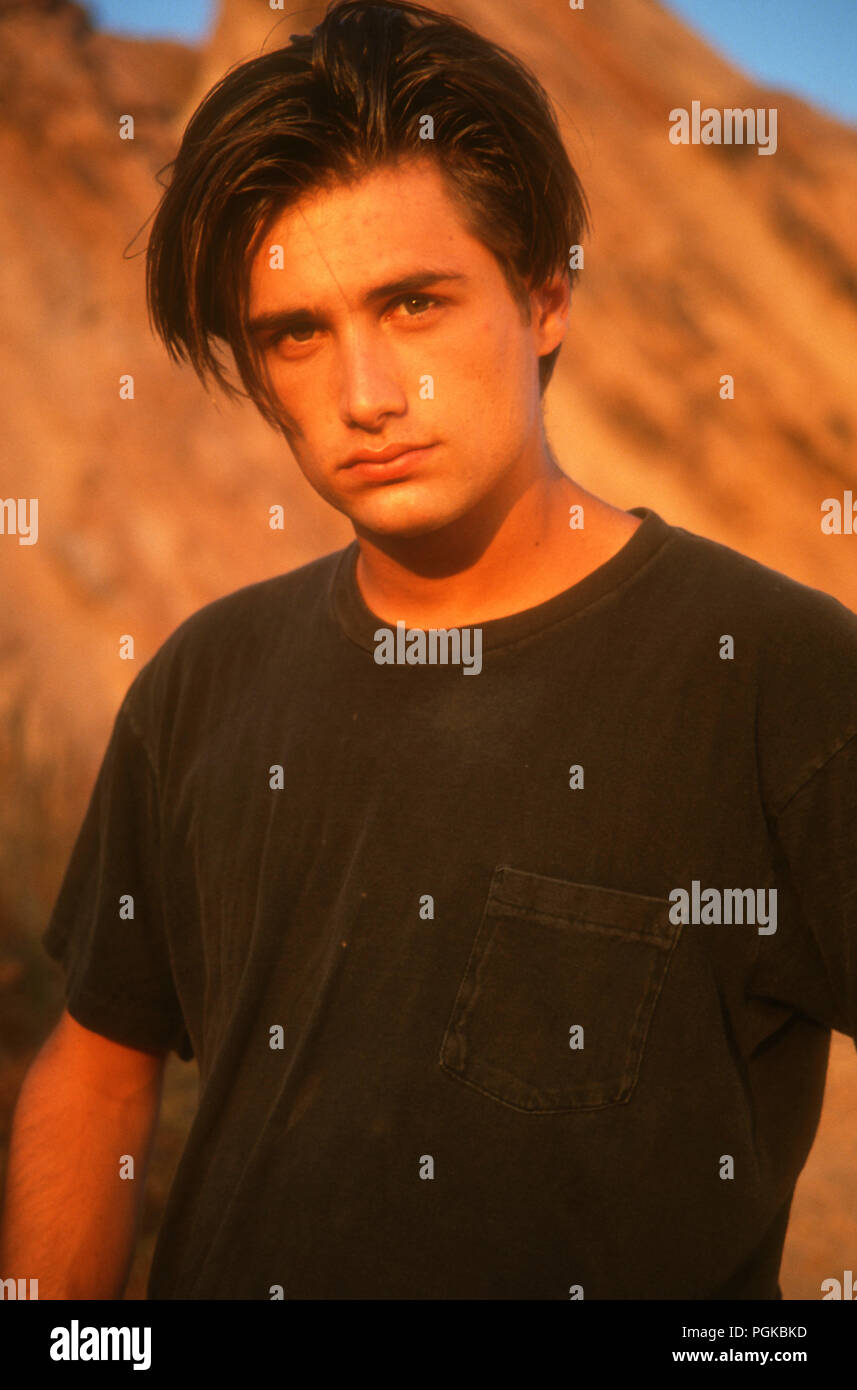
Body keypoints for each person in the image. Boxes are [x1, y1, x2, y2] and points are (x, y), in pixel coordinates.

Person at [2, 0, 855, 1301]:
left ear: (545, 296)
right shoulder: (200, 681)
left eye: (412, 304)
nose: (363, 393)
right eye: (295, 332)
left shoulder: (779, 680)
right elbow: (100, 1062)